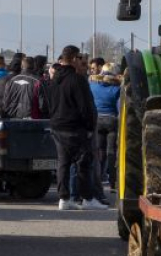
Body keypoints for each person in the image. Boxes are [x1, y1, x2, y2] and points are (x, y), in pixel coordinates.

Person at [46, 45, 106, 211]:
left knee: (63, 162)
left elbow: (49, 104)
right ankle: (87, 198)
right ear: (73, 59)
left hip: (57, 126)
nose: (81, 61)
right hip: (75, 127)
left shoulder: (54, 79)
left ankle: (64, 199)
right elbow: (86, 106)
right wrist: (89, 127)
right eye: (79, 57)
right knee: (83, 162)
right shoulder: (77, 79)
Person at [90, 62, 121, 190]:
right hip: (112, 120)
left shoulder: (92, 85)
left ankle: (97, 180)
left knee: (99, 151)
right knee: (111, 152)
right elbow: (119, 108)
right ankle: (113, 183)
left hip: (97, 120)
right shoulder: (116, 89)